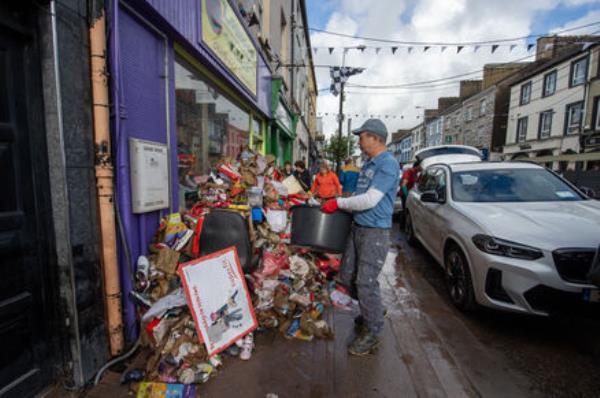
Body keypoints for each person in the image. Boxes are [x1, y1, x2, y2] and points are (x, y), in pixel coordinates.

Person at [320, 119, 400, 356]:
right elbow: (359, 195)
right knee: (347, 276)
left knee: (365, 282)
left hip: (375, 232)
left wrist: (338, 203)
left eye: (362, 136)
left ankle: (373, 330)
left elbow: (369, 200)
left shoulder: (387, 164)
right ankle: (372, 308)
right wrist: (340, 204)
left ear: (375, 138)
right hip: (359, 227)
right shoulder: (368, 164)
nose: (358, 140)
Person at [399, 159, 422, 225]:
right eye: (421, 166)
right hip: (404, 194)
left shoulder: (415, 173)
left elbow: (417, 182)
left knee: (407, 210)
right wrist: (407, 195)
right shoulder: (408, 172)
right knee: (405, 210)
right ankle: (402, 226)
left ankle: (404, 225)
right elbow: (403, 185)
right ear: (417, 166)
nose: (422, 168)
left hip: (409, 193)